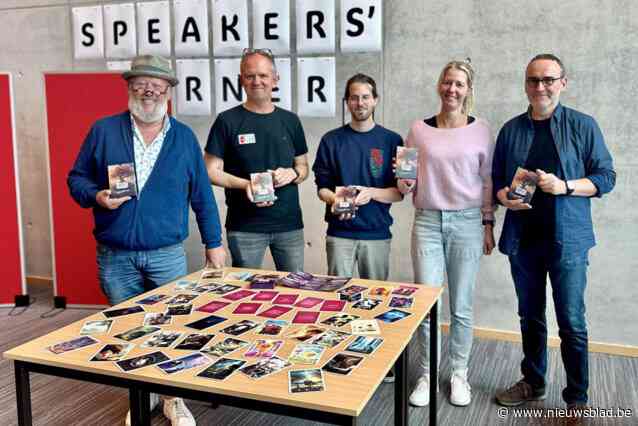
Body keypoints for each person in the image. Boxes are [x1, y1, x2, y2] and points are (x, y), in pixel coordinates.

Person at [67, 54, 226, 426]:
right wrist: (98, 196)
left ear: (169, 90)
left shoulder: (184, 138)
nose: (149, 89)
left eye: (157, 83)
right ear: (129, 88)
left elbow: (202, 194)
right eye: (140, 82)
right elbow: (76, 179)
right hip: (115, 256)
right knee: (127, 330)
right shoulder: (103, 131)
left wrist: (214, 242)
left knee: (174, 326)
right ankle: (143, 394)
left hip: (167, 255)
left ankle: (173, 398)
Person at [493, 54, 615, 412]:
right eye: (533, 80)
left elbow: (605, 178)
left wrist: (564, 186)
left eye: (548, 79)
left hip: (569, 242)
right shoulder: (511, 129)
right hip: (523, 241)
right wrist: (504, 197)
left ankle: (577, 396)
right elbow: (497, 182)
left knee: (571, 321)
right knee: (530, 316)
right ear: (525, 84)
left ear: (563, 82)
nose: (540, 87)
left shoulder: (583, 125)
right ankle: (533, 382)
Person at [397, 60, 496, 407]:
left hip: (468, 223)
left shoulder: (481, 129)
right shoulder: (418, 130)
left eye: (459, 84)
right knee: (427, 305)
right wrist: (403, 179)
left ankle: (459, 374)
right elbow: (406, 180)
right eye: (447, 82)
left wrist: (487, 223)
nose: (452, 89)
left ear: (468, 90)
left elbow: (486, 181)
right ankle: (426, 374)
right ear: (439, 85)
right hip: (427, 221)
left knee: (462, 306)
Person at [205, 48, 309, 272]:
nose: (257, 81)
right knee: (245, 297)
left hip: (289, 225)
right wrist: (246, 185)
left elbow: (303, 166)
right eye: (250, 75)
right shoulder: (227, 121)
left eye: (263, 75)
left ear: (275, 79)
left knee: (296, 291)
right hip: (245, 227)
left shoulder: (291, 121)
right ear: (241, 79)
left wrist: (294, 173)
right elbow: (210, 171)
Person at [312, 73, 403, 287]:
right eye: (354, 97)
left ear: (375, 100)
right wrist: (335, 199)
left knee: (374, 297)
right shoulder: (331, 140)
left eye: (365, 97)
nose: (359, 103)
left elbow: (399, 193)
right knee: (336, 297)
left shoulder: (392, 140)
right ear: (347, 101)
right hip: (339, 234)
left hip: (376, 234)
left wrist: (371, 193)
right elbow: (321, 188)